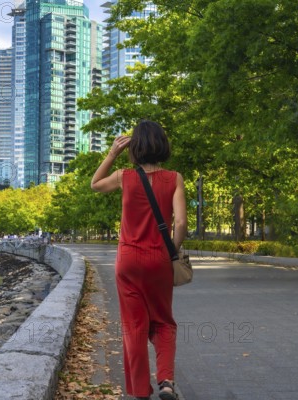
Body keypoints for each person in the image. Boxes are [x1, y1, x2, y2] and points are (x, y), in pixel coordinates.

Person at [91, 120, 187, 400]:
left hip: (128, 261)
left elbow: (95, 184)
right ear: (162, 144)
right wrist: (172, 250)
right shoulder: (175, 178)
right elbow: (180, 223)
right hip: (158, 260)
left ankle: (140, 391)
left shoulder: (124, 176)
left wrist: (111, 154)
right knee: (164, 323)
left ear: (135, 147)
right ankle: (166, 381)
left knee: (134, 327)